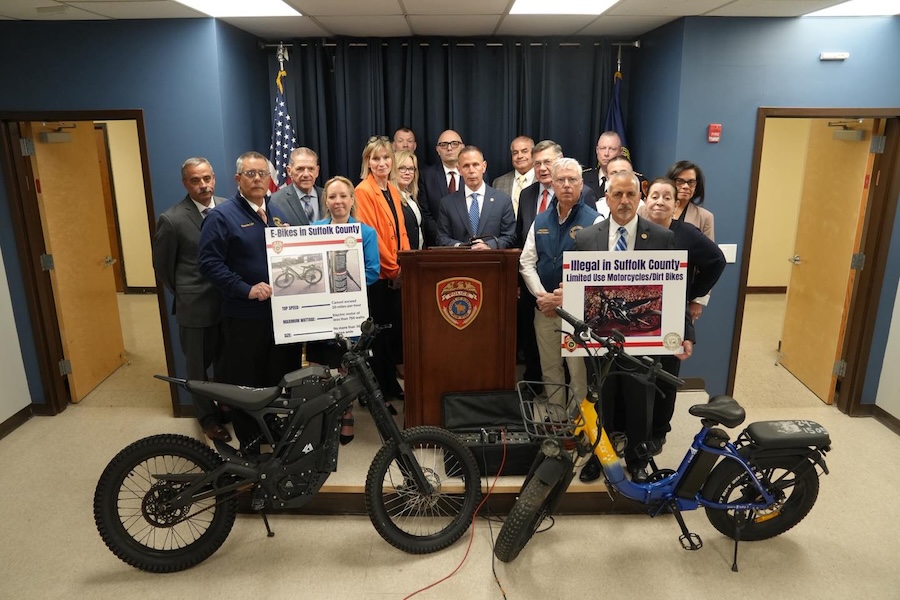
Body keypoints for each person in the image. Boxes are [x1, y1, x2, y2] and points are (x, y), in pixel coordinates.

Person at [574, 171, 675, 484]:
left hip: (643, 342)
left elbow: (674, 290)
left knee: (639, 401)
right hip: (599, 339)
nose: (624, 201)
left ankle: (638, 458)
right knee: (600, 399)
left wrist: (682, 334)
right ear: (607, 199)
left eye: (631, 194)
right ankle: (599, 457)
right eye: (617, 194)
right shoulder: (586, 238)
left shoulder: (662, 238)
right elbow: (578, 287)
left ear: (639, 197)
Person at [198, 151, 299, 452]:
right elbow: (209, 264)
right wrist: (245, 289)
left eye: (262, 174)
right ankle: (250, 447)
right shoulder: (221, 216)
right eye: (250, 174)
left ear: (270, 179)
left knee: (274, 379)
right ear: (237, 179)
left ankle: (270, 431)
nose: (257, 179)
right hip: (244, 317)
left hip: (279, 317)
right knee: (247, 384)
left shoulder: (277, 213)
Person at [643, 177, 726, 451]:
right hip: (639, 318)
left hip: (671, 318)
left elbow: (716, 260)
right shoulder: (636, 230)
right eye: (655, 196)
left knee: (665, 379)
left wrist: (692, 294)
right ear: (646, 199)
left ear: (675, 203)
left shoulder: (687, 233)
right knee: (638, 379)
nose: (660, 202)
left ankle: (658, 432)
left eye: (667, 197)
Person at [152, 157, 229, 442]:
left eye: (207, 178)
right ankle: (207, 419)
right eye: (195, 180)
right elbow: (163, 268)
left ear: (214, 178)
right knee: (198, 369)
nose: (203, 185)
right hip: (195, 307)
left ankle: (226, 407)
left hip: (229, 304)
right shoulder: (172, 219)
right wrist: (188, 292)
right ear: (185, 183)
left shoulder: (228, 207)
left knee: (226, 364)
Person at [519, 158, 600, 413]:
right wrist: (543, 297)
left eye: (572, 180)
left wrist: (566, 297)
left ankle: (579, 422)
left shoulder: (595, 221)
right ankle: (555, 416)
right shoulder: (540, 220)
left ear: (581, 184)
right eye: (561, 180)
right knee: (550, 366)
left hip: (577, 313)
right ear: (552, 184)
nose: (566, 185)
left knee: (578, 371)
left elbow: (597, 270)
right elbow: (526, 262)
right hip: (544, 309)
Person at [306, 176, 381, 444]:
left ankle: (346, 414)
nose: (338, 201)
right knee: (319, 366)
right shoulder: (314, 229)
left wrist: (341, 285)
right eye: (332, 196)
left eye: (343, 196)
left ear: (352, 200)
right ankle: (323, 416)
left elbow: (373, 271)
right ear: (325, 201)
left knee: (345, 365)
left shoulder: (366, 232)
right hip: (319, 308)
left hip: (348, 309)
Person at [354, 136, 409, 403]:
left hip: (397, 273)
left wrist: (406, 264)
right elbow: (372, 236)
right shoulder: (363, 191)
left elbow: (401, 231)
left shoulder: (393, 190)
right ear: (368, 161)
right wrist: (394, 269)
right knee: (377, 337)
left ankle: (391, 385)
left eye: (386, 157)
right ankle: (379, 392)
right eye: (375, 158)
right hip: (378, 277)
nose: (382, 163)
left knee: (390, 334)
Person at [435, 145, 516, 249]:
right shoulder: (447, 203)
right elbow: (441, 238)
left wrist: (489, 245)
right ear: (459, 169)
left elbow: (510, 237)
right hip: (460, 258)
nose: (471, 170)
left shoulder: (502, 201)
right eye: (466, 166)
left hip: (492, 258)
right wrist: (462, 247)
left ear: (484, 166)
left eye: (475, 165)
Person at [667, 160, 715, 322]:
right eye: (680, 181)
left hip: (685, 291)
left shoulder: (704, 217)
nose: (686, 186)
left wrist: (698, 300)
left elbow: (708, 261)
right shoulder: (648, 210)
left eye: (691, 182)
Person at [419, 129, 464, 246]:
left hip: (470, 244)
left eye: (454, 144)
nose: (449, 148)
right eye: (444, 145)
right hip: (437, 244)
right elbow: (425, 213)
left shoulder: (474, 173)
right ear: (437, 150)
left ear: (462, 147)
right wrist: (444, 239)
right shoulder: (426, 175)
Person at [269, 147, 324, 226]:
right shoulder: (275, 201)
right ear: (289, 171)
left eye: (311, 169)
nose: (306, 174)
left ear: (317, 171)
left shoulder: (328, 197)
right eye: (300, 169)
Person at [491, 135, 535, 217]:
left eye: (524, 151)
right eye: (515, 153)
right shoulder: (498, 183)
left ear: (533, 154)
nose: (519, 156)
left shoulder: (542, 180)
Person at [392, 150, 424, 250]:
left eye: (411, 169)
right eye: (402, 168)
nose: (407, 173)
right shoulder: (390, 198)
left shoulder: (411, 198)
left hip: (417, 253)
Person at [582, 131, 623, 198]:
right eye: (603, 148)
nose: (606, 153)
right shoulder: (583, 177)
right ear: (597, 150)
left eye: (612, 149)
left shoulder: (634, 180)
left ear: (620, 152)